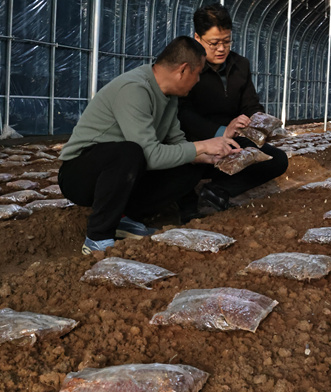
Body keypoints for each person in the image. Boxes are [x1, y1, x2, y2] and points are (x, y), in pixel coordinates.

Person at [58, 36, 237, 254]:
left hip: (123, 172)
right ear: (183, 70)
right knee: (130, 152)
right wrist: (203, 146)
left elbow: (178, 142)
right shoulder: (134, 89)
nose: (198, 80)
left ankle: (123, 219)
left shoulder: (169, 96)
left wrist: (203, 156)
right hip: (79, 175)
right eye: (197, 73)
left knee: (189, 165)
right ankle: (98, 238)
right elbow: (149, 154)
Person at [178, 3, 288, 215]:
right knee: (180, 166)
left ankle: (217, 191)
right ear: (197, 38)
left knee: (277, 160)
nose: (221, 49)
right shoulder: (186, 67)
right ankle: (185, 199)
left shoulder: (240, 65)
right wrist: (220, 132)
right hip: (196, 141)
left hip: (234, 140)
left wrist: (259, 127)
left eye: (227, 41)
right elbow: (182, 114)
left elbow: (252, 105)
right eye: (214, 43)